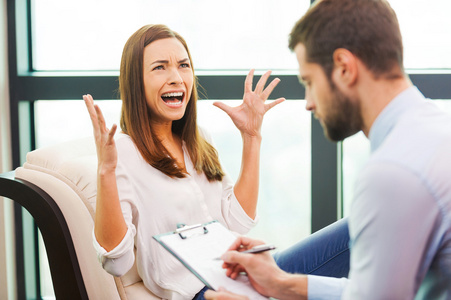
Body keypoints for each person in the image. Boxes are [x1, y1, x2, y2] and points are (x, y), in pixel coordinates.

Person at [204, 0, 451, 299]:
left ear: (344, 68)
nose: (308, 102)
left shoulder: (393, 172)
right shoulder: (431, 131)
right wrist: (282, 283)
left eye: (309, 81)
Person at [83, 24, 286, 299]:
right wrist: (106, 171)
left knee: (348, 238)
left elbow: (237, 223)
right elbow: (116, 263)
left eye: (183, 65)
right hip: (202, 292)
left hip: (243, 274)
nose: (177, 77)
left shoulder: (199, 139)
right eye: (160, 67)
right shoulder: (124, 154)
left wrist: (252, 137)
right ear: (136, 82)